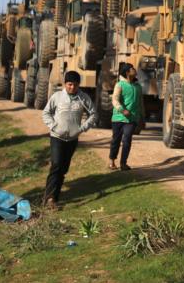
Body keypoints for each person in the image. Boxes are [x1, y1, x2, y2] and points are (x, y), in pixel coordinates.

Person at [41, 70, 96, 209]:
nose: (72, 87)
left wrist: (83, 128)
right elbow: (46, 113)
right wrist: (54, 126)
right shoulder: (57, 97)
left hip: (72, 140)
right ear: (65, 84)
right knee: (56, 165)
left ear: (79, 85)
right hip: (57, 137)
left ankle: (55, 198)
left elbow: (93, 114)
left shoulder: (83, 98)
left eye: (75, 85)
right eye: (70, 84)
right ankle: (49, 198)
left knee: (63, 169)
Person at [108, 63, 144, 171]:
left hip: (131, 119)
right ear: (127, 72)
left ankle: (123, 163)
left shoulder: (138, 86)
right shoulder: (120, 85)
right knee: (116, 140)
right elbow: (115, 99)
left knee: (127, 139)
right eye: (132, 69)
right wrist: (122, 110)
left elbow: (140, 102)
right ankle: (112, 160)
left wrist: (142, 117)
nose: (135, 69)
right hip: (118, 118)